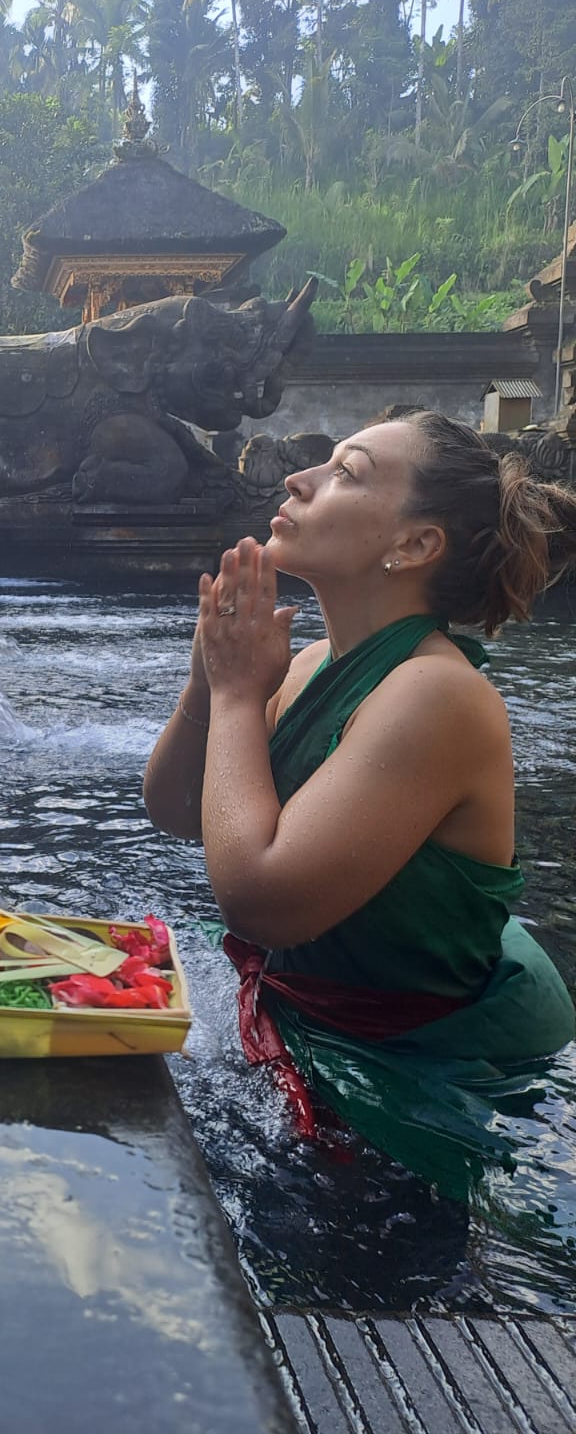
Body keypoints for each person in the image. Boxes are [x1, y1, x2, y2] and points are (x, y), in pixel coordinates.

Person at [143, 409, 576, 1192]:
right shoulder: (308, 663)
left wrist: (238, 695)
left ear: (414, 544)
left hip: (423, 1076)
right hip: (310, 1017)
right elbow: (177, 809)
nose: (299, 478)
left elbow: (260, 901)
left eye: (346, 472)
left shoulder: (437, 694)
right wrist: (212, 675)